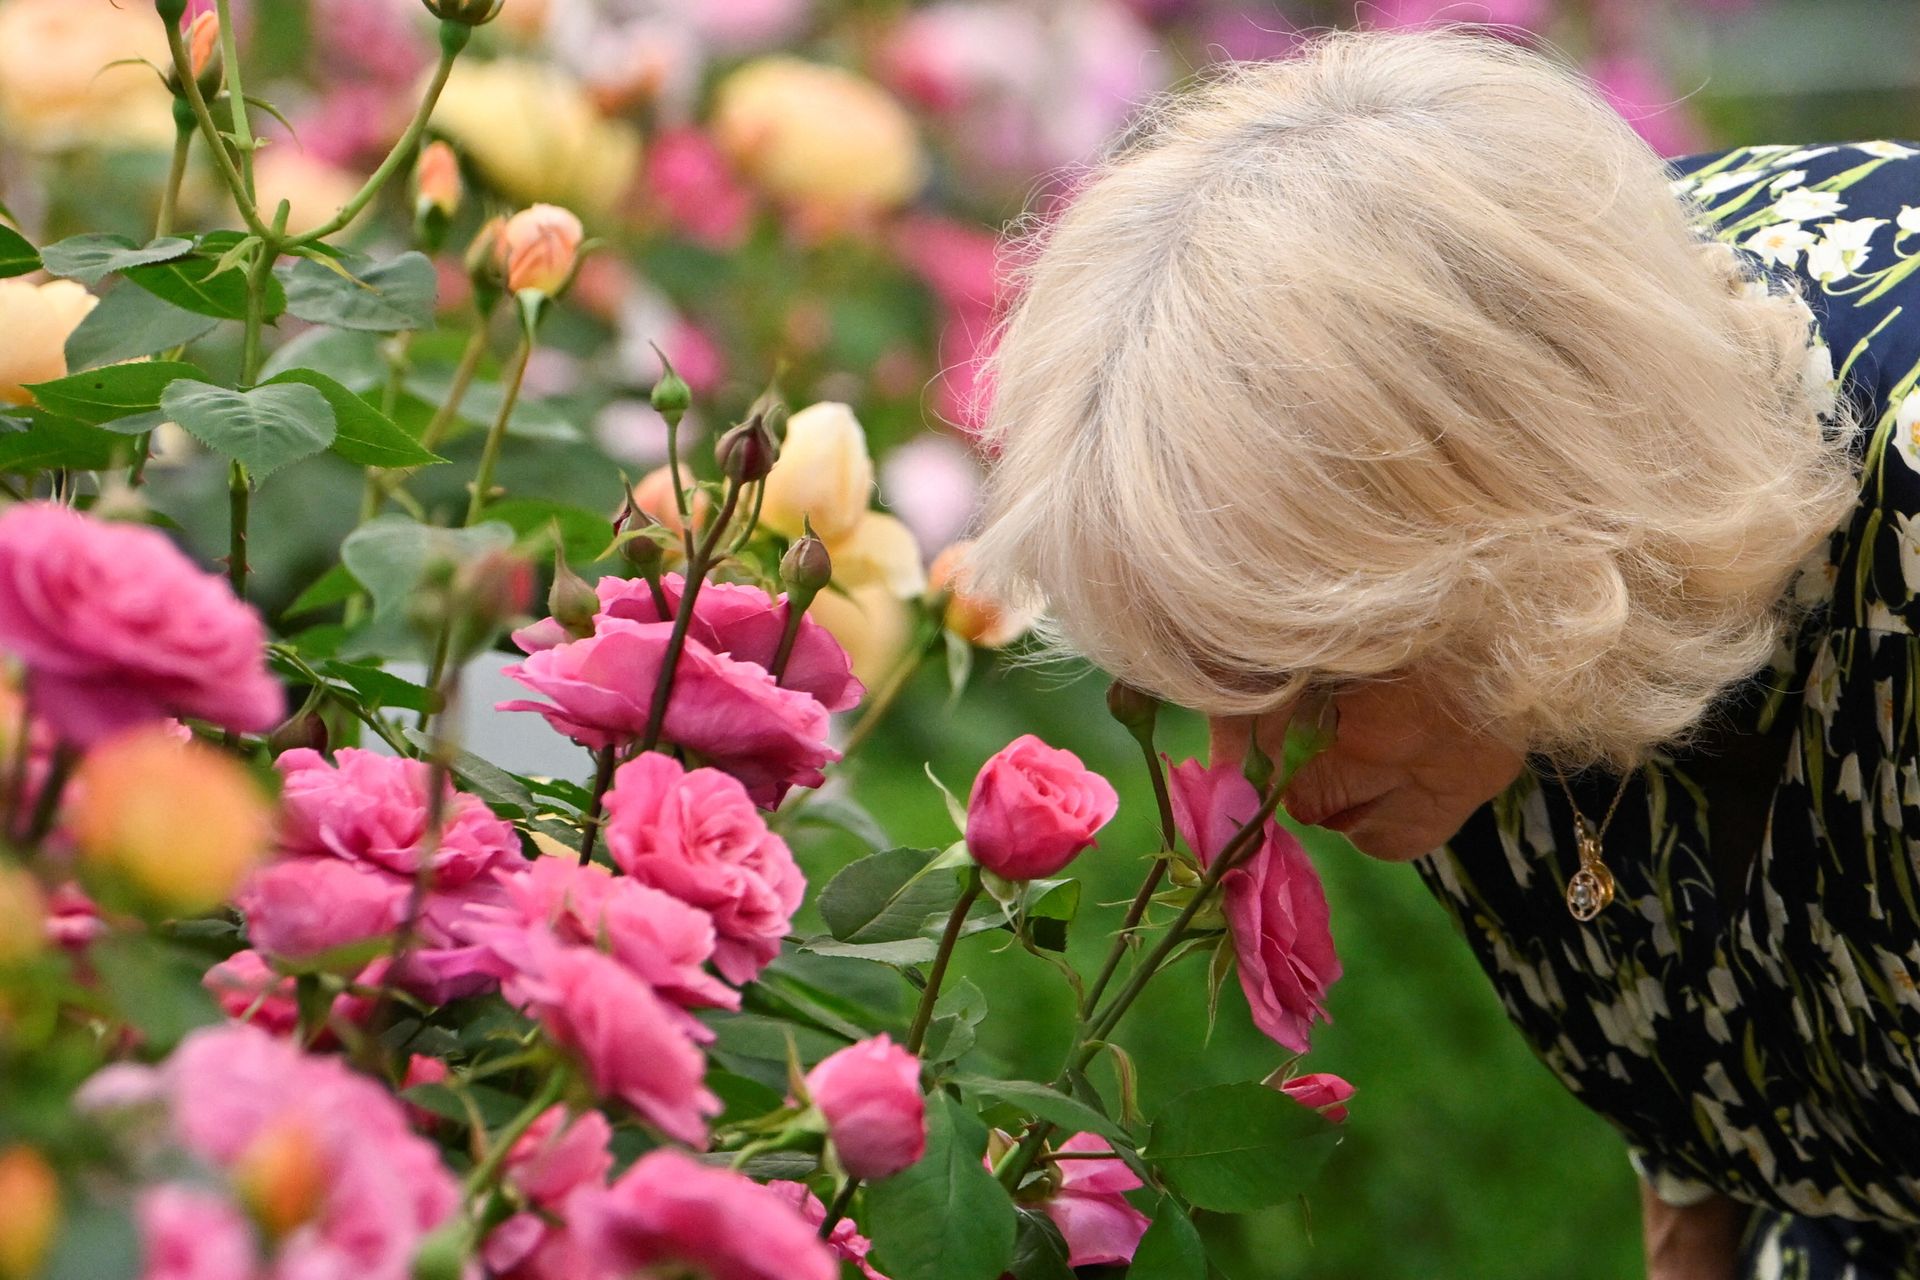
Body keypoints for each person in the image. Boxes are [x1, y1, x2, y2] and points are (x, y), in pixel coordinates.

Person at [966, 27, 1920, 1280]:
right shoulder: (1455, 623)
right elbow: (1706, 1087)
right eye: (1208, 680)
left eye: (1317, 675)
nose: (1255, 782)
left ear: (1548, 540)